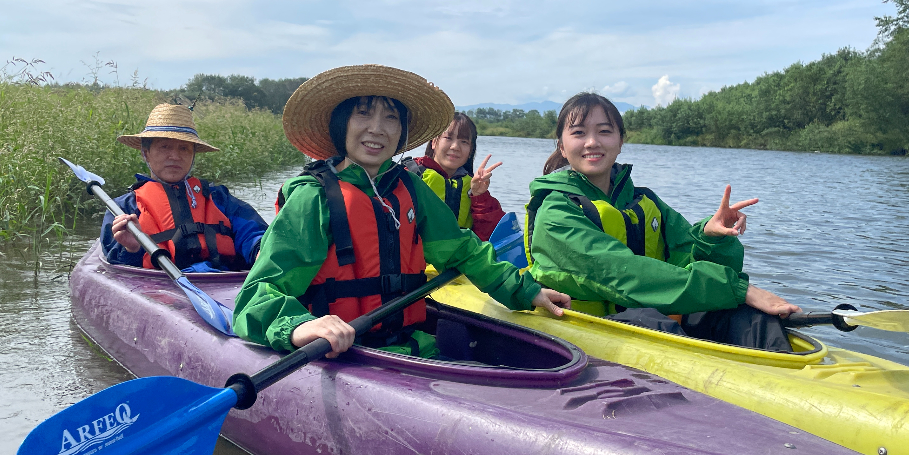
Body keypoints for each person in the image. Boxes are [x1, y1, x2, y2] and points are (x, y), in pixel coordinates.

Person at [233, 65, 570, 359]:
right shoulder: (313, 196)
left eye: (391, 118)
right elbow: (256, 297)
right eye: (363, 114)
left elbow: (463, 249)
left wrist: (527, 290)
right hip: (343, 353)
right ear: (341, 123)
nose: (378, 129)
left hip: (412, 346)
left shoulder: (409, 188)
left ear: (401, 133)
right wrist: (300, 327)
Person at [523, 92, 800, 352]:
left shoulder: (645, 202)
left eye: (604, 131)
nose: (592, 142)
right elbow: (621, 272)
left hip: (646, 318)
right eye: (579, 133)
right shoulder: (556, 210)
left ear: (621, 141)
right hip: (583, 327)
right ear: (562, 145)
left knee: (746, 314)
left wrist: (711, 238)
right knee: (655, 319)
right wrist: (739, 289)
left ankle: (790, 378)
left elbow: (691, 264)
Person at [101, 104, 267, 273]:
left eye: (184, 148)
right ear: (146, 153)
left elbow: (251, 232)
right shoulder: (124, 208)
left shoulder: (218, 198)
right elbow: (117, 266)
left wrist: (260, 250)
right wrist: (131, 249)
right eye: (165, 147)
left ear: (193, 155)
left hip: (222, 283)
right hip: (158, 287)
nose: (175, 156)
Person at [406, 112, 505, 240]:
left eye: (464, 141)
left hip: (460, 258)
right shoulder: (410, 175)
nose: (455, 147)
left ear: (470, 151)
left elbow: (491, 237)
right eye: (448, 138)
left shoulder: (472, 186)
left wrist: (480, 196)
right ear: (434, 142)